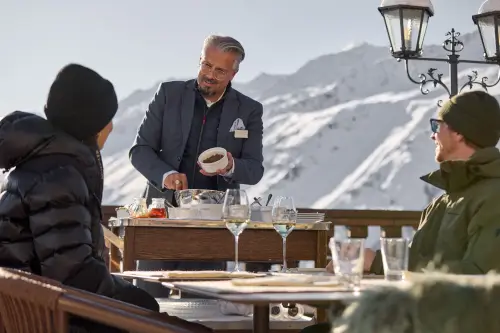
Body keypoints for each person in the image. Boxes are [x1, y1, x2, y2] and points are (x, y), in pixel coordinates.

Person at [0, 64, 211, 333]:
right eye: (107, 119)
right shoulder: (58, 177)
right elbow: (74, 274)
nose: (111, 127)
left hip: (39, 311)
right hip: (59, 319)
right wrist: (137, 300)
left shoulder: (39, 166)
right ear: (91, 126)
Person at [311, 90, 500, 333]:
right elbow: (420, 260)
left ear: (459, 132)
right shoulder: (447, 198)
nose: (433, 135)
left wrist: (379, 262)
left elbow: (478, 277)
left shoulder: (493, 195)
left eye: (437, 125)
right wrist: (369, 262)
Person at [129, 35, 265, 297]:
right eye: (206, 65)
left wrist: (230, 166)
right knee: (145, 306)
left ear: (233, 73)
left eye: (220, 70)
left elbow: (254, 169)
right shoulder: (169, 94)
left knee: (203, 310)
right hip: (161, 220)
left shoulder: (249, 111)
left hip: (210, 229)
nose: (209, 75)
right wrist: (166, 175)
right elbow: (140, 150)